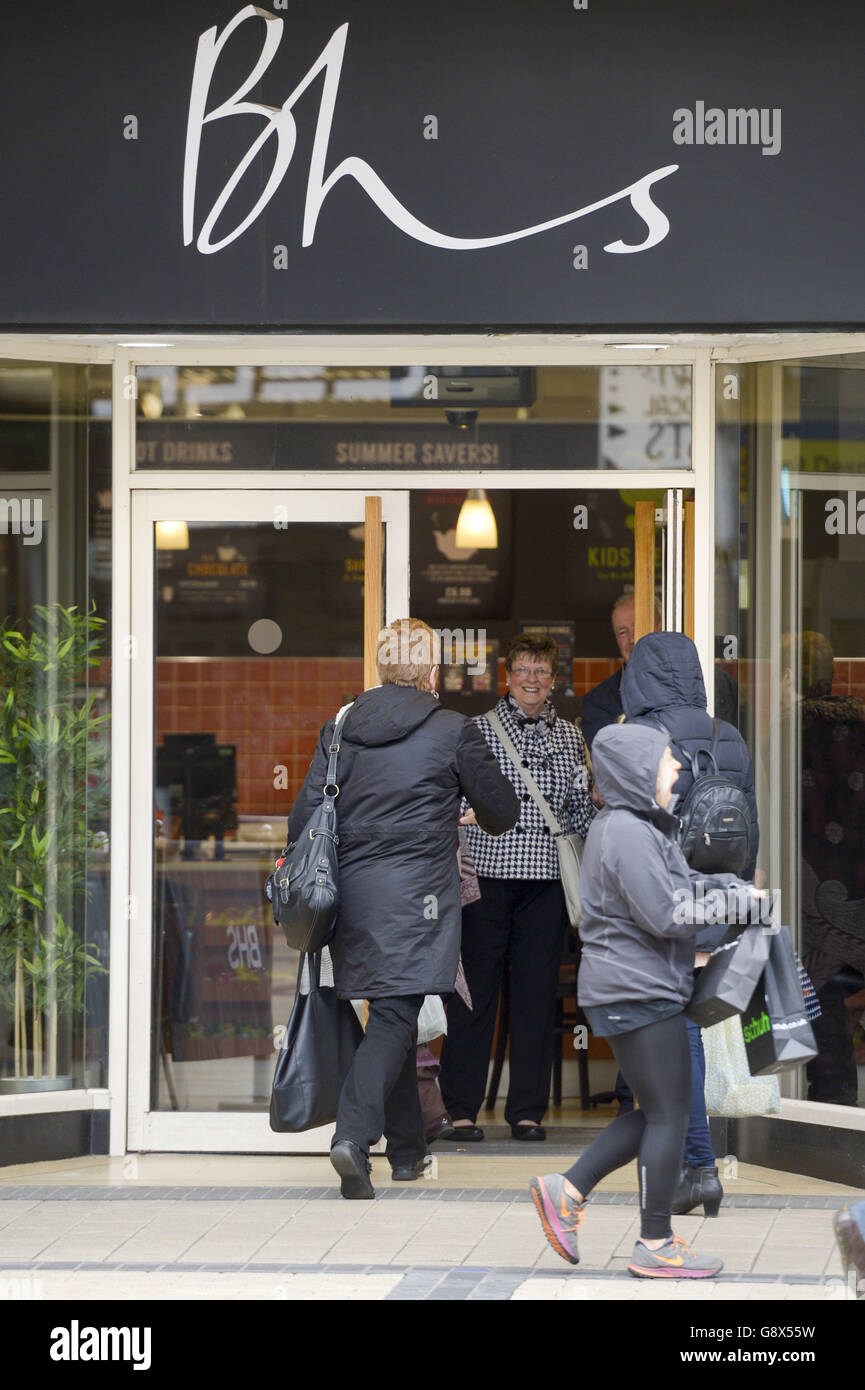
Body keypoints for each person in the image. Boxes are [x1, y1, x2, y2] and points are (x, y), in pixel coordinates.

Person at [285, 618, 519, 1199]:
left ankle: (409, 1153)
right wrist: (456, 807)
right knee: (394, 1017)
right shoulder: (452, 730)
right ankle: (353, 1137)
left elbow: (302, 821)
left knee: (388, 1014)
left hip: (351, 900)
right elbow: (503, 813)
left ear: (382, 671)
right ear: (433, 674)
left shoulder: (340, 728)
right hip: (421, 900)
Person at [530, 723, 763, 1278]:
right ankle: (655, 1243)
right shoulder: (626, 833)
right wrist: (735, 908)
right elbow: (665, 913)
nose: (677, 770)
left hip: (636, 988)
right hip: (636, 990)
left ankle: (566, 1190)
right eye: (666, 761)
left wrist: (735, 890)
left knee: (661, 1112)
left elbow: (680, 888)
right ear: (637, 771)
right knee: (669, 1117)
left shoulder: (635, 828)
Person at [620, 630, 759, 1217]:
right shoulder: (731, 738)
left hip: (663, 904)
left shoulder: (641, 739)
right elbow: (746, 830)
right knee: (684, 1029)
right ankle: (689, 1166)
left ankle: (697, 1168)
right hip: (718, 902)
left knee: (673, 1033)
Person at [438, 633, 595, 1142]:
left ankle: (526, 1110)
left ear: (554, 679)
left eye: (541, 671)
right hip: (487, 878)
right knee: (474, 995)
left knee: (534, 998)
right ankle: (459, 1107)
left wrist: (596, 806)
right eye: (523, 669)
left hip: (547, 882)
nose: (532, 680)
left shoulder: (571, 737)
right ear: (507, 675)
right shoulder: (476, 730)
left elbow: (576, 813)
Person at [779, 631, 865, 1105]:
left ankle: (834, 1108)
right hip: (861, 896)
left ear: (790, 676)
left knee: (823, 1000)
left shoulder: (786, 731)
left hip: (814, 906)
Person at [580, 593, 637, 750]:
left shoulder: (687, 685)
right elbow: (607, 762)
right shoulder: (599, 702)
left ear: (660, 627)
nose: (632, 639)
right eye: (623, 632)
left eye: (638, 626)